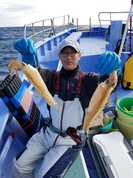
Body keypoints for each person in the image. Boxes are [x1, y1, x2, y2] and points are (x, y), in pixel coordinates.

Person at [12, 38, 122, 178]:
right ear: (59, 56)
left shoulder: (89, 80)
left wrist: (115, 73)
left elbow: (107, 85)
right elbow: (36, 74)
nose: (68, 57)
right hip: (48, 133)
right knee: (18, 166)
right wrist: (29, 63)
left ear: (79, 55)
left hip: (71, 140)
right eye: (64, 53)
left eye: (73, 53)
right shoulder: (52, 77)